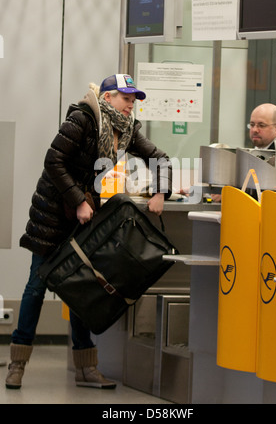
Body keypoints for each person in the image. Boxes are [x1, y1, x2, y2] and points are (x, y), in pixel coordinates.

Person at [5, 74, 172, 390]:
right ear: (107, 98)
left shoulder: (125, 130)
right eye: (126, 98)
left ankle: (85, 368)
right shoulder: (82, 119)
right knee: (37, 286)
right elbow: (54, 161)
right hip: (54, 214)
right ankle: (17, 363)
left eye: (134, 99)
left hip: (84, 218)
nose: (131, 104)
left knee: (82, 286)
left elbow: (160, 158)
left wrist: (160, 192)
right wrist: (79, 200)